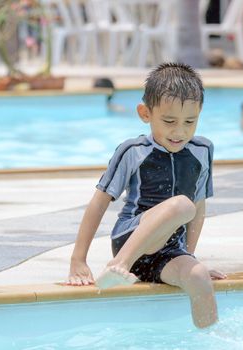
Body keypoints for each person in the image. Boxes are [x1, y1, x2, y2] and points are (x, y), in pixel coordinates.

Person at [68, 63, 225, 328]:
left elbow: (200, 206)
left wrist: (188, 258)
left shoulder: (202, 150)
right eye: (169, 121)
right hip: (130, 240)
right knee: (181, 206)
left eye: (190, 122)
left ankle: (208, 340)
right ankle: (118, 266)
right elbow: (99, 203)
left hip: (167, 252)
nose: (180, 132)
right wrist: (78, 259)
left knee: (199, 278)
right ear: (145, 114)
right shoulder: (133, 150)